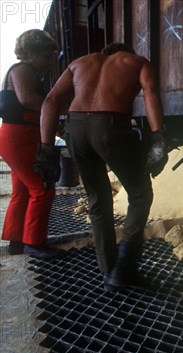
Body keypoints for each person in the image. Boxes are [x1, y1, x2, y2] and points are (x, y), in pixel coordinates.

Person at [38, 42, 168, 289]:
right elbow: (151, 92)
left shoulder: (79, 63)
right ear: (124, 53)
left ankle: (109, 272)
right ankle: (125, 267)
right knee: (140, 195)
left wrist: (45, 149)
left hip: (74, 129)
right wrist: (158, 136)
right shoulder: (137, 61)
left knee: (98, 200)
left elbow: (51, 100)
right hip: (110, 126)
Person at [0, 29, 62, 258]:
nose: (49, 62)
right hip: (20, 137)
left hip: (16, 136)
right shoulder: (24, 69)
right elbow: (28, 99)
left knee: (22, 190)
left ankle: (16, 240)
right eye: (46, 56)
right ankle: (35, 243)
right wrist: (57, 107)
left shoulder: (22, 70)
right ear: (32, 53)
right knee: (43, 187)